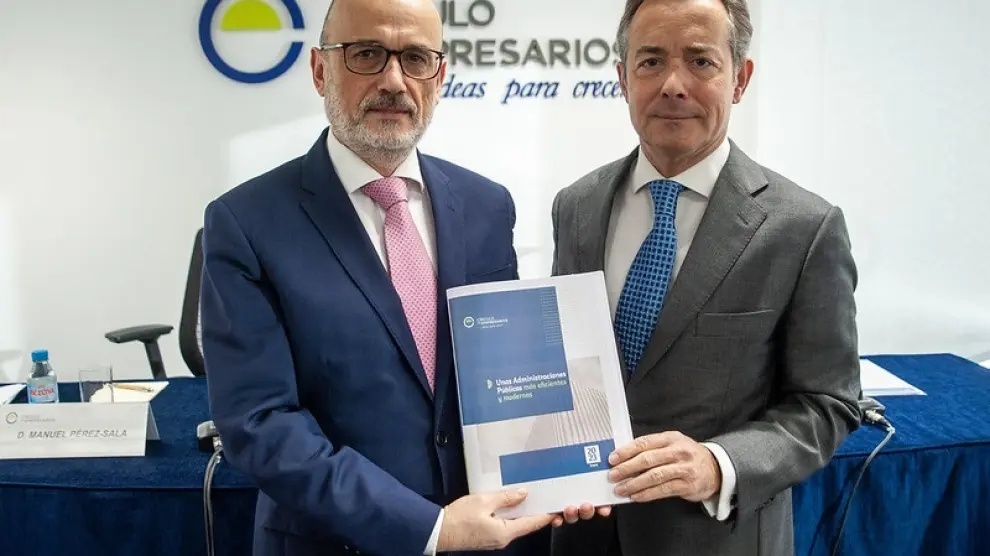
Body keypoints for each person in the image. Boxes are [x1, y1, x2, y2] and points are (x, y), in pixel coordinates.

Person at [199, 0, 565, 554]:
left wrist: (564, 471)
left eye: (416, 58)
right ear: (320, 70)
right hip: (333, 544)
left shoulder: (487, 205)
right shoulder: (246, 222)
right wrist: (429, 529)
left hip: (489, 537)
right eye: (367, 54)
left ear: (439, 76)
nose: (394, 81)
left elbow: (506, 376)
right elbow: (260, 424)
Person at [548, 1, 862, 555]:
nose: (673, 84)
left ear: (739, 79)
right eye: (651, 62)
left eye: (700, 61)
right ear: (622, 78)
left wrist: (720, 464)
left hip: (716, 538)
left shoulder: (804, 228)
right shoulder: (576, 206)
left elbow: (827, 404)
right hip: (582, 535)